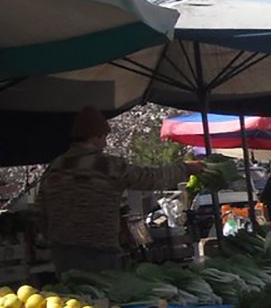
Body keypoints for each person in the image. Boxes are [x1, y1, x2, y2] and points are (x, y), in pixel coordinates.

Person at [38, 106, 202, 273]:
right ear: (94, 137)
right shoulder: (107, 165)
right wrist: (185, 169)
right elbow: (149, 178)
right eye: (104, 137)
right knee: (100, 294)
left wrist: (51, 235)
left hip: (62, 250)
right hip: (97, 248)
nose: (105, 143)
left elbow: (41, 207)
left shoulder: (56, 166)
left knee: (72, 296)